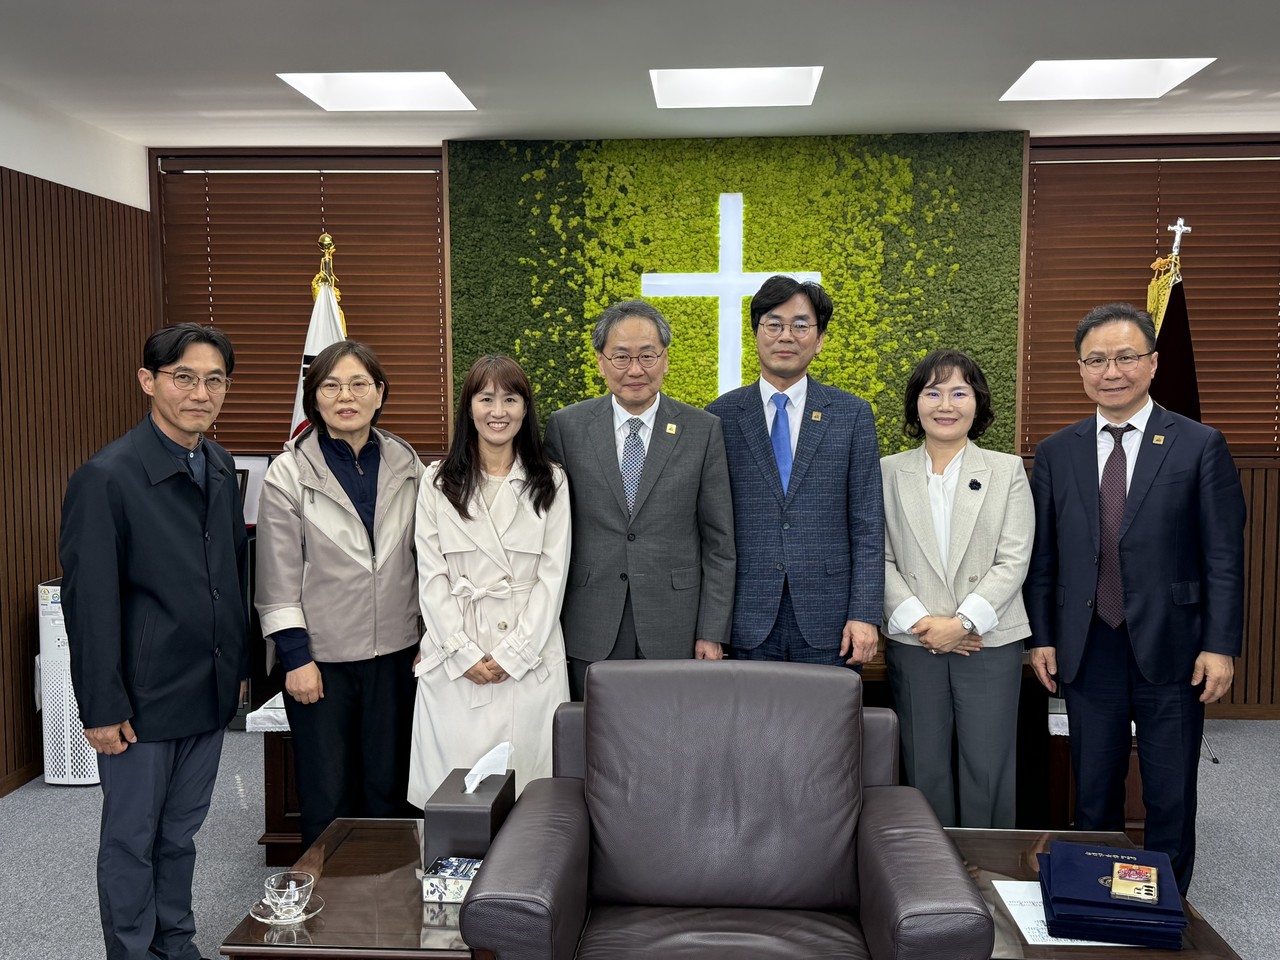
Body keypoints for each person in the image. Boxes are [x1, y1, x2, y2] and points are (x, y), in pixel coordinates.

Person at [1026, 302, 1245, 894]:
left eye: (1125, 357)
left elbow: (1224, 555)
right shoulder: (1055, 452)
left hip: (1174, 647)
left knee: (1169, 791)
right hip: (1087, 643)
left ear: (1152, 363)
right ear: (1080, 370)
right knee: (1091, 788)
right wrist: (1042, 635)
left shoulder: (1199, 444)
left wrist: (1220, 646)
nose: (1111, 371)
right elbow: (1043, 556)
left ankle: (1165, 909)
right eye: (1095, 360)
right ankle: (1094, 900)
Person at [59, 323, 248, 960]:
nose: (201, 392)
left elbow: (228, 575)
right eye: (184, 378)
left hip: (208, 689)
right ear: (149, 382)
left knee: (182, 835)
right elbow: (87, 605)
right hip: (140, 703)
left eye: (214, 380)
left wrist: (238, 669)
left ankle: (177, 943)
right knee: (130, 841)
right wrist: (102, 708)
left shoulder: (218, 463)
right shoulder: (106, 478)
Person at [255, 340, 423, 847]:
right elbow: (275, 579)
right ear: (314, 397)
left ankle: (389, 905)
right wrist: (296, 659)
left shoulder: (406, 461)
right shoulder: (289, 472)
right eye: (330, 385)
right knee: (326, 795)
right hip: (321, 663)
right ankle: (326, 911)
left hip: (397, 657)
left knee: (389, 790)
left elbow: (425, 560)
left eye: (358, 384)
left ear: (379, 394)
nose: (344, 396)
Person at [544, 300, 736, 699]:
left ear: (665, 360)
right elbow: (549, 532)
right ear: (601, 362)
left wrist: (712, 631)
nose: (635, 369)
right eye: (621, 356)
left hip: (676, 625)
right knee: (594, 740)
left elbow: (720, 543)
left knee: (672, 739)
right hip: (590, 621)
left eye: (648, 355)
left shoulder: (702, 430)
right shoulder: (567, 427)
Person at [408, 355, 571, 803]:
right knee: (455, 799)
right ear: (469, 408)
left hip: (528, 658)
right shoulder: (437, 482)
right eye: (486, 399)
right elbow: (431, 576)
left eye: (510, 399)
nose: (498, 411)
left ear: (525, 408)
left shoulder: (550, 481)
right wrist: (463, 653)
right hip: (457, 653)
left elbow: (552, 577)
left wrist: (514, 653)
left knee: (530, 796)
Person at [880, 349, 1032, 827]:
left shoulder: (1006, 471)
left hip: (987, 640)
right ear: (916, 403)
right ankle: (933, 881)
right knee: (922, 766)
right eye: (933, 392)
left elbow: (1013, 558)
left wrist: (962, 623)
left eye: (959, 392)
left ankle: (988, 879)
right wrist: (924, 623)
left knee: (988, 769)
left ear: (977, 402)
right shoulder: (886, 471)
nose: (946, 405)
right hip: (915, 639)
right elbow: (875, 556)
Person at [706, 276, 882, 666]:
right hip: (745, 618)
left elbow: (868, 523)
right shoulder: (719, 417)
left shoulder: (852, 415)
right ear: (756, 334)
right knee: (747, 727)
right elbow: (708, 529)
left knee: (827, 726)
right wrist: (710, 626)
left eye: (801, 325)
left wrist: (865, 613)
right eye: (774, 323)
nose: (787, 335)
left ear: (818, 340)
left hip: (831, 620)